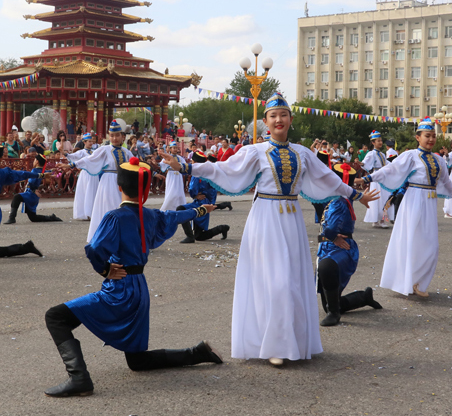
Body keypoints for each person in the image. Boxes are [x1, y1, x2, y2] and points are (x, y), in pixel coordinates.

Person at [160, 92, 378, 366]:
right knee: (273, 281)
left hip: (291, 221)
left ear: (290, 119)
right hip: (265, 219)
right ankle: (273, 343)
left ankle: (292, 342)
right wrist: (185, 166)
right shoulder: (255, 152)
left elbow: (327, 179)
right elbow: (224, 170)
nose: (278, 120)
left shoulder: (302, 153)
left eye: (283, 115)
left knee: (293, 280)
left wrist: (355, 195)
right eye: (273, 116)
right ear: (265, 121)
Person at [43, 158, 222, 397]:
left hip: (120, 289)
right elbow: (175, 217)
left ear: (119, 187)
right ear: (146, 189)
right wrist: (200, 210)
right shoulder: (151, 216)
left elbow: (95, 249)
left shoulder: (115, 217)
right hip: (140, 289)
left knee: (55, 316)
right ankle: (197, 353)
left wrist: (105, 270)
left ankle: (79, 378)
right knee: (137, 361)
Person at [362, 118, 452, 297]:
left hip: (430, 203)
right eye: (427, 136)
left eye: (434, 136)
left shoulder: (439, 160)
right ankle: (410, 282)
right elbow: (390, 170)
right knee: (411, 242)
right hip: (413, 201)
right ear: (418, 137)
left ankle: (418, 281)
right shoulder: (410, 155)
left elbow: (446, 182)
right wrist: (367, 179)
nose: (431, 139)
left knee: (431, 245)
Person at [317, 163, 383, 326]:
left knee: (326, 268)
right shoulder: (330, 197)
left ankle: (334, 313)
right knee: (329, 303)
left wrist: (331, 235)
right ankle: (363, 298)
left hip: (341, 248)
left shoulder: (340, 201)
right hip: (327, 247)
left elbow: (333, 226)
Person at [62, 122, 133, 243]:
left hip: (122, 183)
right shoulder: (104, 149)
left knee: (122, 208)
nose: (114, 138)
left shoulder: (127, 152)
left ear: (123, 136)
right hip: (108, 182)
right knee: (108, 208)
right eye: (111, 135)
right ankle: (105, 236)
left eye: (117, 135)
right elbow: (89, 159)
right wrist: (71, 164)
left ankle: (121, 237)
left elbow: (134, 166)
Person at [177, 151, 232, 243]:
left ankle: (221, 228)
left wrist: (195, 195)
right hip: (204, 202)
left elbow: (192, 188)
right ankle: (221, 228)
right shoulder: (209, 173)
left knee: (199, 235)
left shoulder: (197, 173)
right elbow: (213, 190)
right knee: (182, 211)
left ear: (195, 162)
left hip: (201, 203)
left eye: (192, 161)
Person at [4, 154, 62, 224]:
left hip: (31, 193)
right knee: (33, 218)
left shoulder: (35, 170)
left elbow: (32, 182)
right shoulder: (41, 171)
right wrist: (51, 170)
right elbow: (45, 173)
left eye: (34, 160)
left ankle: (12, 218)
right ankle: (51, 217)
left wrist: (34, 190)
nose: (34, 161)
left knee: (17, 197)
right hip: (33, 195)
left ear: (37, 161)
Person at [362, 130, 393, 228]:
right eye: (378, 141)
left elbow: (388, 164)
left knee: (384, 198)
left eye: (381, 140)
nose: (380, 142)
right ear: (373, 143)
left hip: (382, 176)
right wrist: (361, 163)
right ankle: (376, 220)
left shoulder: (382, 154)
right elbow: (365, 163)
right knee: (377, 198)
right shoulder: (372, 153)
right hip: (376, 177)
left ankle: (381, 220)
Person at [65, 133, 100, 221]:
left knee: (93, 192)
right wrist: (66, 154)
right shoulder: (81, 152)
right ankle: (85, 213)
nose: (91, 143)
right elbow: (73, 156)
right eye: (89, 141)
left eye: (92, 141)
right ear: (84, 142)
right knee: (86, 192)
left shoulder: (94, 152)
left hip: (94, 175)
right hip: (85, 175)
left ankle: (92, 213)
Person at [160, 141, 187, 211]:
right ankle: (167, 207)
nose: (175, 149)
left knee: (179, 191)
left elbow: (185, 165)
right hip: (171, 175)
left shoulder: (180, 158)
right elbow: (162, 163)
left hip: (178, 175)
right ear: (170, 149)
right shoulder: (167, 157)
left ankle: (180, 205)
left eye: (176, 148)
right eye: (173, 148)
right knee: (171, 191)